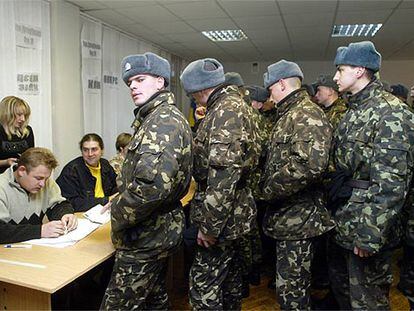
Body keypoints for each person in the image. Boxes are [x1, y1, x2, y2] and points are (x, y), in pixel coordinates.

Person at [101, 52, 193, 310]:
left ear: (160, 82)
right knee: (154, 300)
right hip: (155, 232)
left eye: (140, 79)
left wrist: (118, 212)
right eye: (130, 82)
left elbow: (151, 188)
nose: (132, 86)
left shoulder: (161, 122)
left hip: (147, 237)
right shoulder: (156, 117)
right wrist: (121, 197)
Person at [329, 41, 414, 310]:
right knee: (346, 295)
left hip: (366, 227)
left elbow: (392, 181)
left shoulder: (391, 112)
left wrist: (369, 233)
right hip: (345, 220)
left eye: (340, 70)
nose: (335, 77)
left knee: (368, 302)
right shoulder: (354, 111)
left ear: (359, 70)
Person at [180, 58, 261, 310]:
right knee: (230, 282)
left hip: (223, 218)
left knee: (204, 285)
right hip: (235, 212)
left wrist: (210, 227)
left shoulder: (226, 111)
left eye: (193, 95)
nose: (194, 101)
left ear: (202, 90)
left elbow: (223, 175)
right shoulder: (237, 104)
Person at [261, 59, 335, 310]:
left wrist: (267, 190)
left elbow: (308, 166)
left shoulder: (305, 114)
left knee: (292, 291)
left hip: (300, 220)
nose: (269, 94)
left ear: (281, 83)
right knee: (290, 288)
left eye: (270, 88)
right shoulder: (289, 114)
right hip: (289, 218)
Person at [0, 147, 77, 244]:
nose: (43, 184)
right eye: (38, 178)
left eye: (46, 179)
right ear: (21, 171)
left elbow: (58, 204)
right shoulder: (2, 187)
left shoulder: (45, 182)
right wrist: (40, 231)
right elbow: (1, 231)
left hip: (33, 247)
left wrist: (65, 214)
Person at [56, 133, 117, 212]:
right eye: (85, 150)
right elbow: (72, 203)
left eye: (94, 149)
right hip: (82, 213)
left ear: (102, 151)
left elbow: (114, 186)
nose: (90, 154)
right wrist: (106, 199)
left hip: (106, 209)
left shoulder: (105, 165)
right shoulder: (71, 170)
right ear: (81, 151)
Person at [0, 96, 34, 174]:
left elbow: (31, 156)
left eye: (25, 115)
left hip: (21, 176)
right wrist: (5, 162)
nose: (23, 119)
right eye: (19, 115)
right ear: (7, 114)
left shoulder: (27, 131)